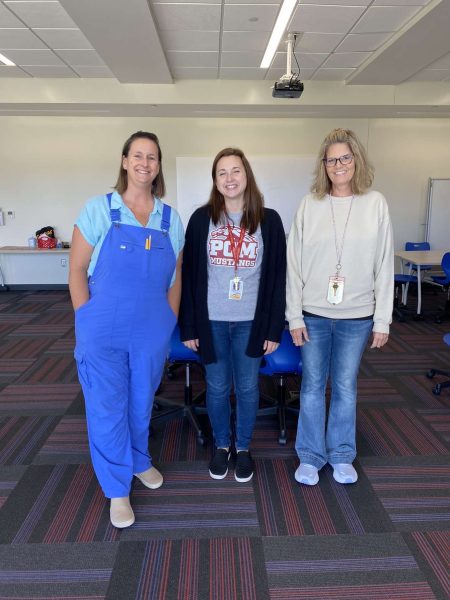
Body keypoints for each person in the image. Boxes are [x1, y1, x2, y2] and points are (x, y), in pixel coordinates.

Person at [69, 131, 184, 528]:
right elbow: (77, 271)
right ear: (124, 161)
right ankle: (117, 488)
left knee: (140, 402)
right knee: (106, 406)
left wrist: (167, 321)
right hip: (102, 327)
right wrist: (85, 320)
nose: (145, 163)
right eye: (138, 155)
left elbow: (176, 277)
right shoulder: (99, 210)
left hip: (151, 329)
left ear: (158, 165)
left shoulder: (170, 218)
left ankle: (137, 460)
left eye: (152, 157)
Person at [286, 128, 393, 486]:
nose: (338, 165)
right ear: (324, 165)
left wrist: (383, 320)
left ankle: (342, 454)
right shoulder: (309, 204)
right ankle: (311, 456)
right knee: (313, 386)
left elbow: (384, 265)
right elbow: (294, 265)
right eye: (331, 159)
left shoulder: (375, 203)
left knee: (345, 386)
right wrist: (294, 314)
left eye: (345, 157)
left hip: (358, 317)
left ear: (356, 160)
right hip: (314, 315)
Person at [179, 148, 286, 483]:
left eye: (235, 171)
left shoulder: (269, 220)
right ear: (215, 180)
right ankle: (222, 446)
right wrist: (189, 325)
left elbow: (277, 277)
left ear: (247, 175)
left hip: (251, 323)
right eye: (221, 172)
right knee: (216, 385)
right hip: (211, 321)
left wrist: (272, 328)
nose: (229, 178)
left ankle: (243, 448)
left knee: (247, 386)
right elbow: (190, 275)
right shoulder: (201, 219)